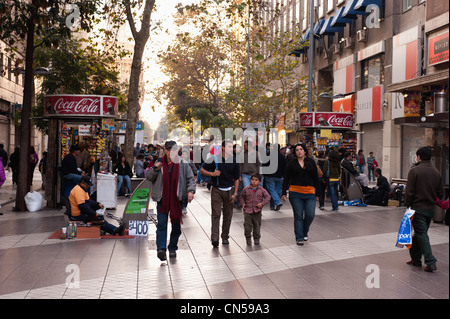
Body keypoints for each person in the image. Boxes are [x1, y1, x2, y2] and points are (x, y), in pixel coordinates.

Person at [146, 141, 196, 261]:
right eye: (168, 150)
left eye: (173, 150)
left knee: (176, 226)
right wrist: (155, 168)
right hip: (162, 199)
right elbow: (149, 177)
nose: (170, 152)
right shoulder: (159, 162)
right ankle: (161, 249)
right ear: (165, 150)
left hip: (177, 199)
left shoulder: (183, 164)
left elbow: (190, 179)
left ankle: (172, 247)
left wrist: (190, 191)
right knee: (162, 224)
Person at [405, 146, 443, 272]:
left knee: (421, 235)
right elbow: (440, 194)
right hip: (430, 210)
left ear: (419, 157)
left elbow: (409, 192)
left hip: (417, 208)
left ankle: (430, 261)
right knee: (419, 235)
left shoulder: (414, 171)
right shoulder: (437, 173)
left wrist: (408, 206)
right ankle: (415, 259)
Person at [200, 140, 240, 247]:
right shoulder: (214, 158)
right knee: (216, 214)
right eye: (229, 147)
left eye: (232, 147)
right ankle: (215, 238)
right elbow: (201, 170)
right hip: (217, 189)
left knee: (228, 215)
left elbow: (237, 179)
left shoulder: (235, 161)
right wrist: (212, 173)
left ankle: (225, 237)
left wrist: (235, 193)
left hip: (230, 190)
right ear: (223, 148)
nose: (232, 149)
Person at [281, 143, 319, 245]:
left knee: (310, 215)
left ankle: (304, 231)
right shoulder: (291, 164)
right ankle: (299, 237)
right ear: (295, 152)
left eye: (301, 149)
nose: (299, 151)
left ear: (305, 151)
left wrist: (318, 193)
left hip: (310, 192)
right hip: (295, 193)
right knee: (298, 215)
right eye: (297, 150)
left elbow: (316, 177)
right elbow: (286, 179)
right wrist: (283, 192)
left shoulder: (311, 162)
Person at [239, 173, 271, 245]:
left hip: (257, 211)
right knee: (247, 226)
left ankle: (256, 238)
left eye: (256, 180)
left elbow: (268, 197)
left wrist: (262, 204)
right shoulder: (246, 189)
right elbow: (241, 197)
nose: (254, 181)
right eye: (252, 180)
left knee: (257, 225)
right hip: (247, 211)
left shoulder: (262, 190)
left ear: (259, 181)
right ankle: (248, 238)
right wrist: (243, 204)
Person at [264, 143, 286, 211]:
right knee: (277, 191)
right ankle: (273, 205)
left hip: (270, 176)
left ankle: (277, 202)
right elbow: (284, 167)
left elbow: (264, 164)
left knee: (272, 190)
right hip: (279, 176)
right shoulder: (282, 157)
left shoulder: (269, 154)